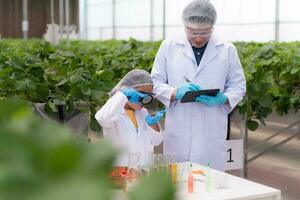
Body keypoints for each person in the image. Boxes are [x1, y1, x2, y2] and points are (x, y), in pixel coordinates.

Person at [151, 0, 246, 171]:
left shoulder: (227, 49)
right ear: (185, 26)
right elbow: (155, 82)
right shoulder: (169, 46)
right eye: (193, 32)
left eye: (205, 32)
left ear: (212, 27)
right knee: (177, 185)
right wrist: (175, 92)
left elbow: (238, 85)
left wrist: (224, 99)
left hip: (211, 129)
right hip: (179, 127)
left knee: (210, 185)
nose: (199, 37)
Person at [95, 69, 164, 168]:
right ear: (128, 90)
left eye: (147, 97)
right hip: (121, 171)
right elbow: (102, 119)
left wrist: (153, 124)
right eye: (139, 95)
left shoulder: (143, 112)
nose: (143, 100)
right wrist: (123, 95)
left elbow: (157, 141)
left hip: (143, 170)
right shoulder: (114, 111)